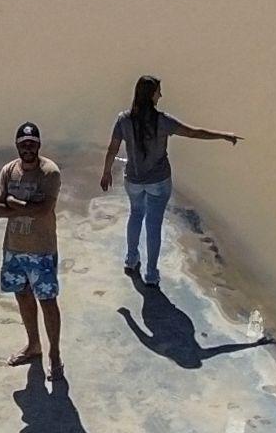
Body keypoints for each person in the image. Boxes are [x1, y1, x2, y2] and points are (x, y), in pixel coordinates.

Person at [96, 74, 238, 287]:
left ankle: (131, 259)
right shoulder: (162, 121)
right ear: (151, 95)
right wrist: (223, 135)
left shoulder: (123, 120)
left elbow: (112, 148)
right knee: (153, 226)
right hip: (159, 181)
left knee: (135, 215)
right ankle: (151, 274)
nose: (161, 95)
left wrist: (106, 173)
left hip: (133, 180)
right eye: (158, 92)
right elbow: (193, 133)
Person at [0, 122, 65, 380]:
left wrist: (14, 203)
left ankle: (54, 354)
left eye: (32, 144)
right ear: (17, 145)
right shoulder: (8, 171)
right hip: (14, 249)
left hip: (42, 250)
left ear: (39, 145)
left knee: (48, 302)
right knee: (23, 297)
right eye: (23, 144)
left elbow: (44, 210)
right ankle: (33, 345)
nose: (28, 149)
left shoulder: (50, 173)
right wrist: (24, 205)